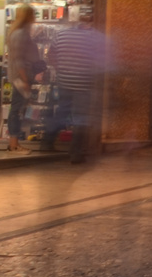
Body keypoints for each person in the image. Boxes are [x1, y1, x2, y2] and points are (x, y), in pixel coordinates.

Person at [42, 9, 105, 163]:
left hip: (64, 81)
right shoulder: (94, 37)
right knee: (80, 118)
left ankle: (47, 141)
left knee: (62, 112)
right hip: (83, 84)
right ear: (90, 22)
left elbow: (50, 55)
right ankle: (76, 153)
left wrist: (61, 68)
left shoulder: (61, 35)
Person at [5, 5, 44, 152]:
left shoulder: (19, 33)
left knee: (18, 108)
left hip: (22, 75)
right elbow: (18, 60)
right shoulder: (20, 34)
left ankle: (14, 142)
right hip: (20, 77)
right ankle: (13, 143)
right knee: (17, 109)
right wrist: (25, 80)